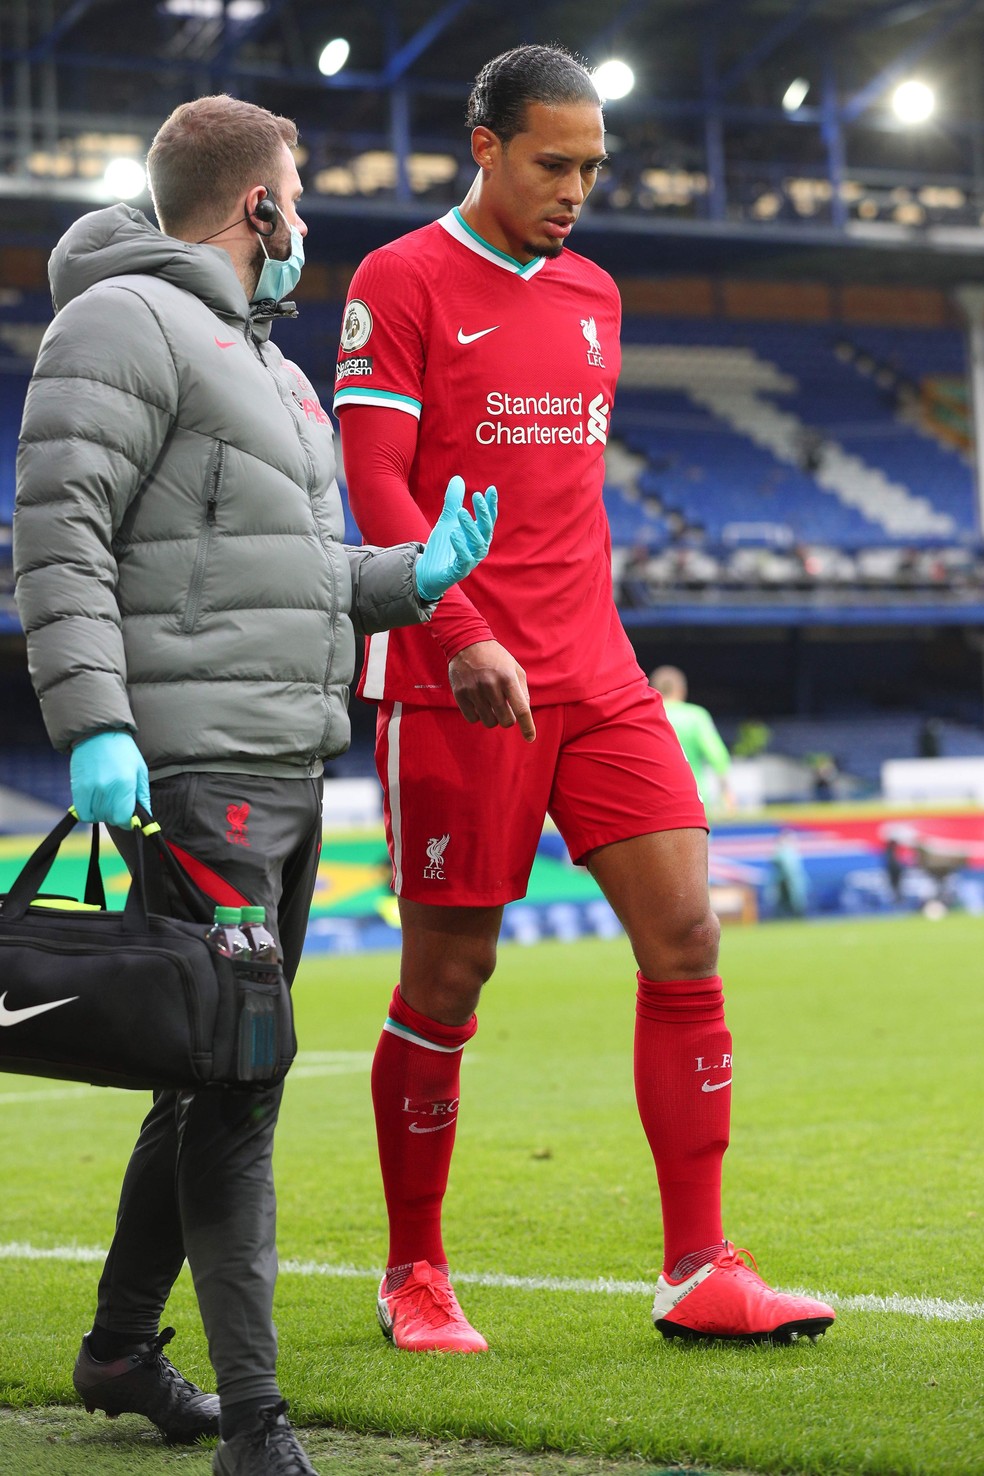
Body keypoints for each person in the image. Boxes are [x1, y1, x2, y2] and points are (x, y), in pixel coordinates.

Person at [13, 95, 496, 1476]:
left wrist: (412, 579)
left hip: (292, 765)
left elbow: (285, 578)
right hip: (200, 768)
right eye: (298, 196)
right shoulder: (120, 323)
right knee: (241, 1093)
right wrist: (94, 721)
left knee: (205, 1076)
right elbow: (59, 533)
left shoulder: (270, 367)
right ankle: (261, 1429)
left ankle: (116, 1351)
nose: (310, 228)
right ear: (258, 207)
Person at [332, 45, 835, 1354]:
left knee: (688, 941)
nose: (576, 191)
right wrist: (458, 629)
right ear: (483, 143)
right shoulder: (399, 281)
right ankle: (415, 1273)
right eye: (554, 164)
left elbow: (565, 499)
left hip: (599, 675)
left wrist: (567, 633)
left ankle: (699, 1266)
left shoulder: (599, 292)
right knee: (451, 973)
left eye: (593, 169)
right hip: (457, 677)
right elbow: (376, 481)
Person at [649, 665, 733, 811]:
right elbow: (718, 757)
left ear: (653, 690)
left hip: (655, 802)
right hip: (693, 799)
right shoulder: (696, 716)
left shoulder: (647, 716)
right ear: (682, 690)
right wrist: (726, 793)